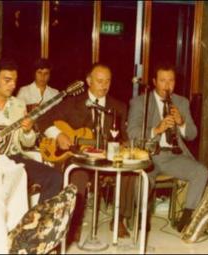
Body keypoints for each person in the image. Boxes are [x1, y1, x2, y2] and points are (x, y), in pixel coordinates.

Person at [37, 63, 135, 241]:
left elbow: (123, 137)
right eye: (99, 81)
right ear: (89, 81)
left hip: (107, 158)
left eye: (107, 81)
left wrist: (124, 145)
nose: (104, 86)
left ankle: (120, 219)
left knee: (130, 173)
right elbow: (43, 119)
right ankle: (74, 223)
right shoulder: (72, 103)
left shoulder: (118, 107)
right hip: (80, 159)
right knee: (78, 175)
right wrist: (58, 135)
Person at [127, 63, 208, 232]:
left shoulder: (181, 102)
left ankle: (186, 217)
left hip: (173, 155)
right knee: (143, 177)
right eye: (163, 81)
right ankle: (142, 216)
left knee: (201, 172)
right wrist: (157, 129)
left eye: (171, 81)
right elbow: (132, 132)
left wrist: (182, 122)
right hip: (148, 154)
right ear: (154, 81)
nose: (167, 86)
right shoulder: (140, 102)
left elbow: (192, 134)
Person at [0, 58, 63, 202]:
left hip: (14, 159)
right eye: (7, 80)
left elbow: (27, 143)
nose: (13, 85)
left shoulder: (19, 105)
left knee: (55, 177)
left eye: (14, 80)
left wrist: (27, 131)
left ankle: (38, 221)